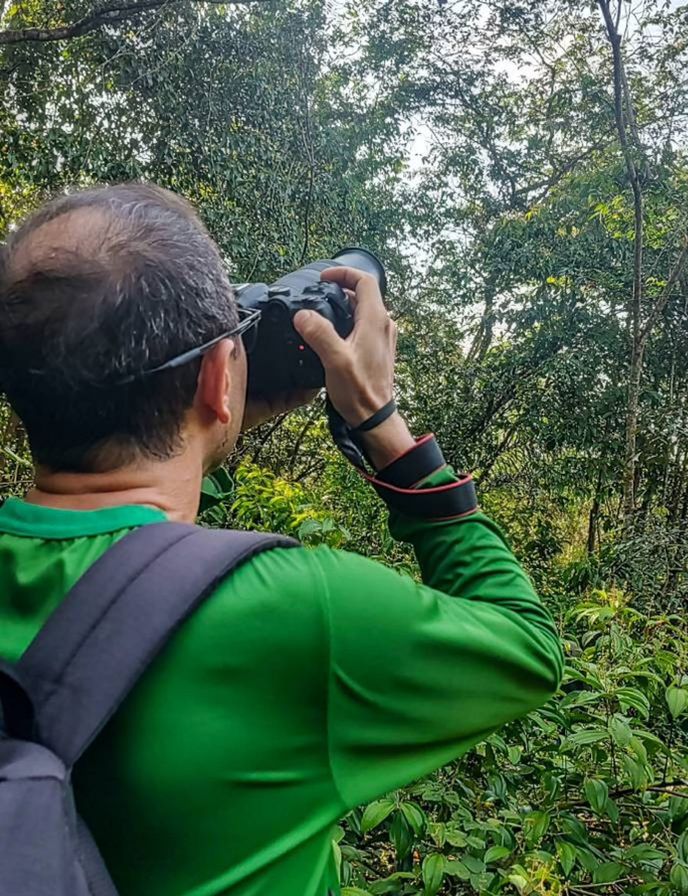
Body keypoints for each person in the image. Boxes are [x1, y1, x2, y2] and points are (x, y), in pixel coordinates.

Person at [0, 184, 565, 894]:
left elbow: (133, 545)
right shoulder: (302, 609)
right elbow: (526, 648)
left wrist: (216, 419)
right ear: (217, 377)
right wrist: (383, 426)